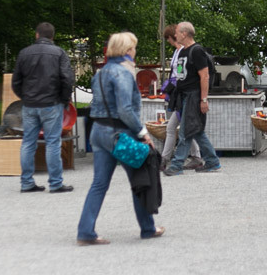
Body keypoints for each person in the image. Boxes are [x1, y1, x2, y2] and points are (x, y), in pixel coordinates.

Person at [78, 32, 163, 246]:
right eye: (133, 48)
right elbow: (125, 109)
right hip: (119, 134)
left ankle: (85, 231)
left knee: (98, 184)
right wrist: (143, 133)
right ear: (127, 51)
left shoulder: (100, 73)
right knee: (139, 179)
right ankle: (147, 228)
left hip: (98, 131)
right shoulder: (123, 73)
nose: (135, 52)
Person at [12, 21, 74, 193]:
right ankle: (55, 183)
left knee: (28, 143)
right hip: (52, 104)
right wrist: (64, 100)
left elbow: (16, 81)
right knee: (53, 143)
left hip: (30, 105)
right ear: (52, 37)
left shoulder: (24, 53)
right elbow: (67, 79)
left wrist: (25, 97)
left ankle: (26, 183)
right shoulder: (59, 53)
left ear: (37, 35)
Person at [164, 22, 223, 175]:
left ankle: (176, 165)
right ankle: (212, 161)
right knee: (196, 131)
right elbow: (179, 75)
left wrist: (203, 99)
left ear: (184, 33)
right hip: (184, 96)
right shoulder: (183, 52)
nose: (175, 35)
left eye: (177, 32)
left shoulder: (197, 51)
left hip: (193, 96)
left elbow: (204, 76)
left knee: (185, 131)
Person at [160, 24, 202, 169]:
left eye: (169, 39)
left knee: (175, 128)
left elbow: (179, 74)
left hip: (183, 95)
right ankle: (196, 156)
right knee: (184, 127)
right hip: (182, 94)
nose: (170, 41)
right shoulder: (179, 53)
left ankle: (166, 160)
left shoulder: (181, 53)